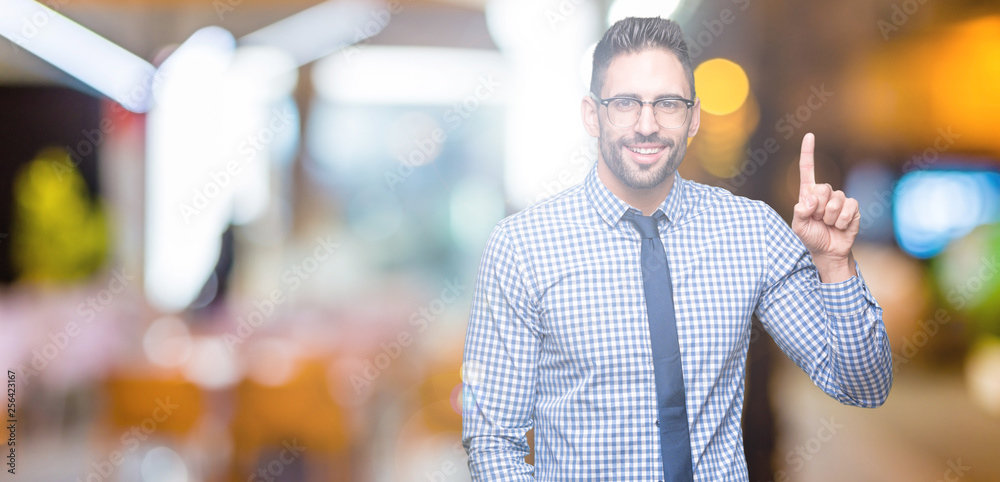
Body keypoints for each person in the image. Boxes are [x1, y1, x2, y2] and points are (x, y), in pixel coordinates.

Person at [461, 16, 892, 482]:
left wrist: (834, 265)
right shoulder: (522, 248)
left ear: (694, 117)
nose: (647, 125)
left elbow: (863, 385)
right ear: (592, 114)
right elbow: (493, 439)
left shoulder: (751, 232)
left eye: (667, 103)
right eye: (625, 103)